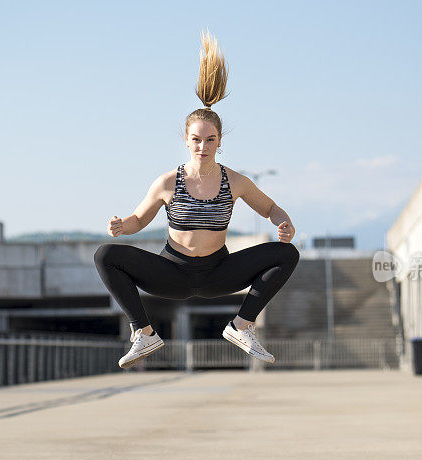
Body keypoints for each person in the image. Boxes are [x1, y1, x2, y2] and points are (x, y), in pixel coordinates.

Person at [94, 31, 299, 369]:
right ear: (186, 141)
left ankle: (241, 326)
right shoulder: (166, 182)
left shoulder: (234, 181)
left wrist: (283, 223)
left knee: (286, 254)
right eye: (196, 139)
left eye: (210, 139)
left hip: (219, 273)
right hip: (171, 274)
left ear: (220, 141)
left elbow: (270, 208)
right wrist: (121, 226)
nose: (203, 146)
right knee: (105, 255)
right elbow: (138, 221)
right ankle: (144, 332)